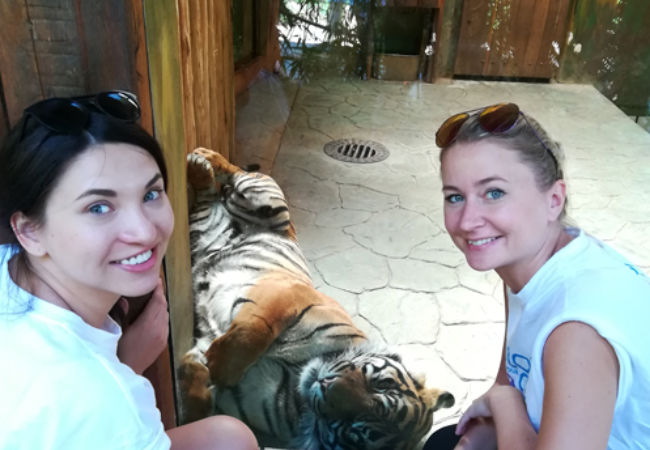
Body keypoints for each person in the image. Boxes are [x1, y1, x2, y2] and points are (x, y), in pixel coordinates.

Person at [0, 91, 258, 450]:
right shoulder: (108, 402)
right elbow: (83, 404)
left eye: (151, 194)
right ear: (29, 231)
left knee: (227, 438)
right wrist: (123, 369)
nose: (144, 232)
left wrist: (121, 361)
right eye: (99, 207)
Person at [424, 103, 650, 450]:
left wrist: (504, 404)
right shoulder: (532, 261)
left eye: (494, 193)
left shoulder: (577, 333)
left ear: (554, 200)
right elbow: (511, 378)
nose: (467, 221)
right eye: (455, 197)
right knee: (444, 440)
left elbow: (506, 393)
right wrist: (486, 425)